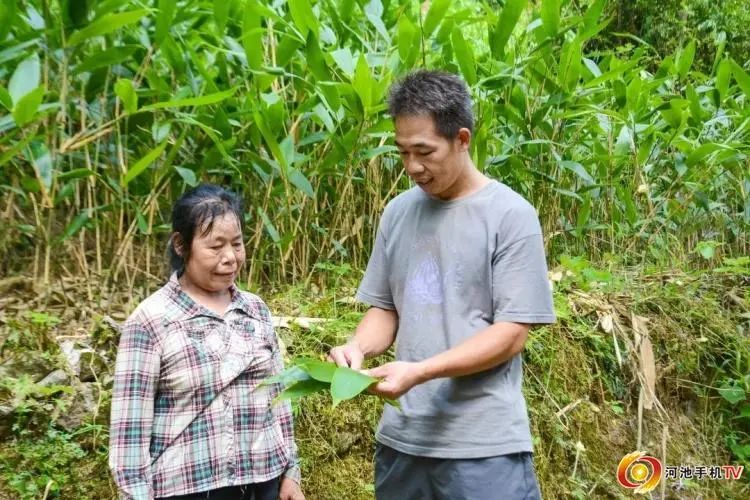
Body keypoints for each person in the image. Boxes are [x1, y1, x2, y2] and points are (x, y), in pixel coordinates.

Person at [329, 70, 556, 499]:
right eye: (402, 152)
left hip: (483, 447)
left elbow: (511, 335)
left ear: (462, 139)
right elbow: (387, 309)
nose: (412, 166)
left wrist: (420, 371)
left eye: (424, 151)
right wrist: (357, 348)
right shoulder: (396, 213)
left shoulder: (510, 215)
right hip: (402, 442)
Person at [109, 184, 304, 500]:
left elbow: (279, 397)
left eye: (237, 244)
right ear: (181, 245)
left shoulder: (255, 310)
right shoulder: (151, 320)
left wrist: (290, 473)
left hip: (263, 482)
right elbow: (129, 433)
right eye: (216, 247)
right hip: (188, 489)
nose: (230, 258)